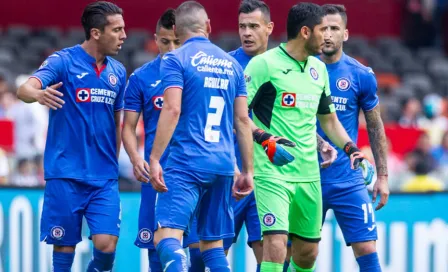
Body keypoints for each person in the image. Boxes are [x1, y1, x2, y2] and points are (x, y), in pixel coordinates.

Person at [244, 3, 367, 271]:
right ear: (305, 32)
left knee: (307, 255)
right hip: (272, 172)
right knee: (275, 245)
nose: (327, 36)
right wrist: (264, 138)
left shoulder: (318, 70)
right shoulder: (264, 65)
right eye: (323, 30)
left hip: (309, 175)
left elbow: (329, 120)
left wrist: (350, 148)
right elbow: (237, 115)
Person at [16, 2, 126, 272]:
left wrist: (115, 158)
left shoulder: (118, 72)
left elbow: (117, 123)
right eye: (117, 30)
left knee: (106, 245)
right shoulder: (63, 61)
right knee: (64, 247)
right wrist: (39, 94)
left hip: (104, 176)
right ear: (96, 33)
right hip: (66, 172)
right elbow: (24, 89)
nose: (124, 35)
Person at [148, 1, 254, 272]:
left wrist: (155, 157)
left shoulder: (176, 59)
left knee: (166, 236)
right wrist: (247, 170)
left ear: (175, 29)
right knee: (213, 247)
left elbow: (172, 108)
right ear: (208, 26)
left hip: (187, 163)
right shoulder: (232, 65)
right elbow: (242, 120)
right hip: (222, 165)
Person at [317, 4, 390, 272]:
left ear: (345, 34)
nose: (327, 34)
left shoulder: (360, 75)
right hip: (307, 177)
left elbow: (375, 126)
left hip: (348, 179)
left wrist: (382, 176)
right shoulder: (303, 71)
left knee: (367, 248)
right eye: (322, 28)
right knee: (298, 252)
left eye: (334, 28)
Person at [223, 0, 273, 268]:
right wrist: (231, 167)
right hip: (230, 177)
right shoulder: (226, 65)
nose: (247, 32)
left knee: (270, 256)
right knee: (213, 253)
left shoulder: (281, 66)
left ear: (269, 28)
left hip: (268, 179)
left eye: (254, 26)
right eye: (242, 26)